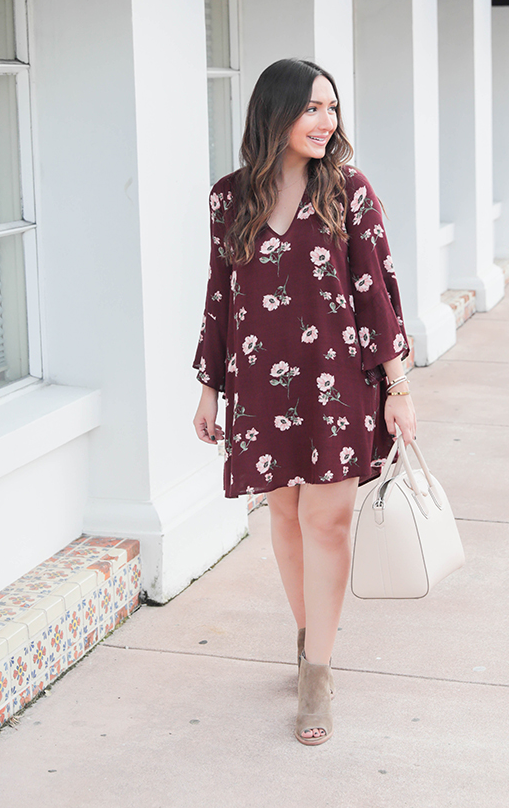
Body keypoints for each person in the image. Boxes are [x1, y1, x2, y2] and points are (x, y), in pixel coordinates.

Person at [193, 58, 416, 746]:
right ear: (276, 114)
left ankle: (316, 672)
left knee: (326, 522)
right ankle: (307, 634)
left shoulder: (349, 191)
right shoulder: (230, 198)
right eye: (313, 108)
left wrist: (399, 386)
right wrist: (210, 387)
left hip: (339, 380)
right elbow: (221, 296)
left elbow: (377, 290)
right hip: (262, 385)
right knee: (284, 517)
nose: (328, 122)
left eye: (333, 109)